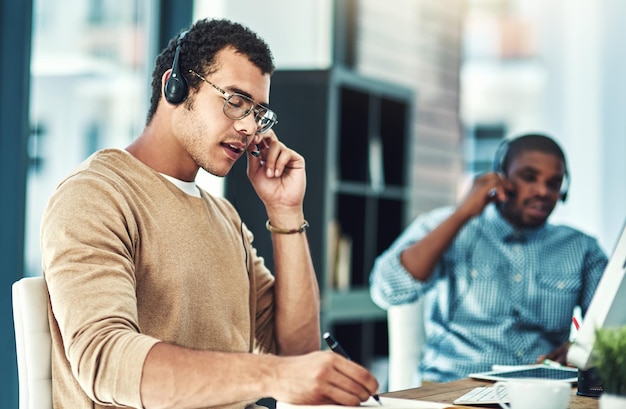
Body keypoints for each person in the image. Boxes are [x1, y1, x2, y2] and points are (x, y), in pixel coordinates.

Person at [41, 18, 379, 409]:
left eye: (259, 113)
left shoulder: (224, 217)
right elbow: (105, 362)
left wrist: (285, 212)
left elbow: (296, 353)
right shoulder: (96, 194)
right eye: (235, 101)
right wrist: (269, 375)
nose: (250, 126)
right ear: (176, 86)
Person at [369, 133, 608, 383]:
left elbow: (614, 329)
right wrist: (463, 213)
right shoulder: (450, 227)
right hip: (454, 386)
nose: (542, 191)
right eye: (529, 177)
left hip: (542, 390)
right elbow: (387, 291)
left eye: (554, 183)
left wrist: (582, 347)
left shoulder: (582, 248)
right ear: (501, 177)